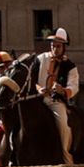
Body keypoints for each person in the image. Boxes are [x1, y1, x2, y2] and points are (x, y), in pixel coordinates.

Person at [34, 28, 78, 158]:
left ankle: (66, 158)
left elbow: (74, 87)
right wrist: (38, 89)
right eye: (53, 45)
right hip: (37, 98)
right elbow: (32, 79)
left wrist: (62, 90)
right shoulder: (40, 59)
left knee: (63, 124)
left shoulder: (70, 65)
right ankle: (14, 163)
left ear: (64, 47)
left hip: (55, 102)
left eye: (58, 46)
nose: (55, 48)